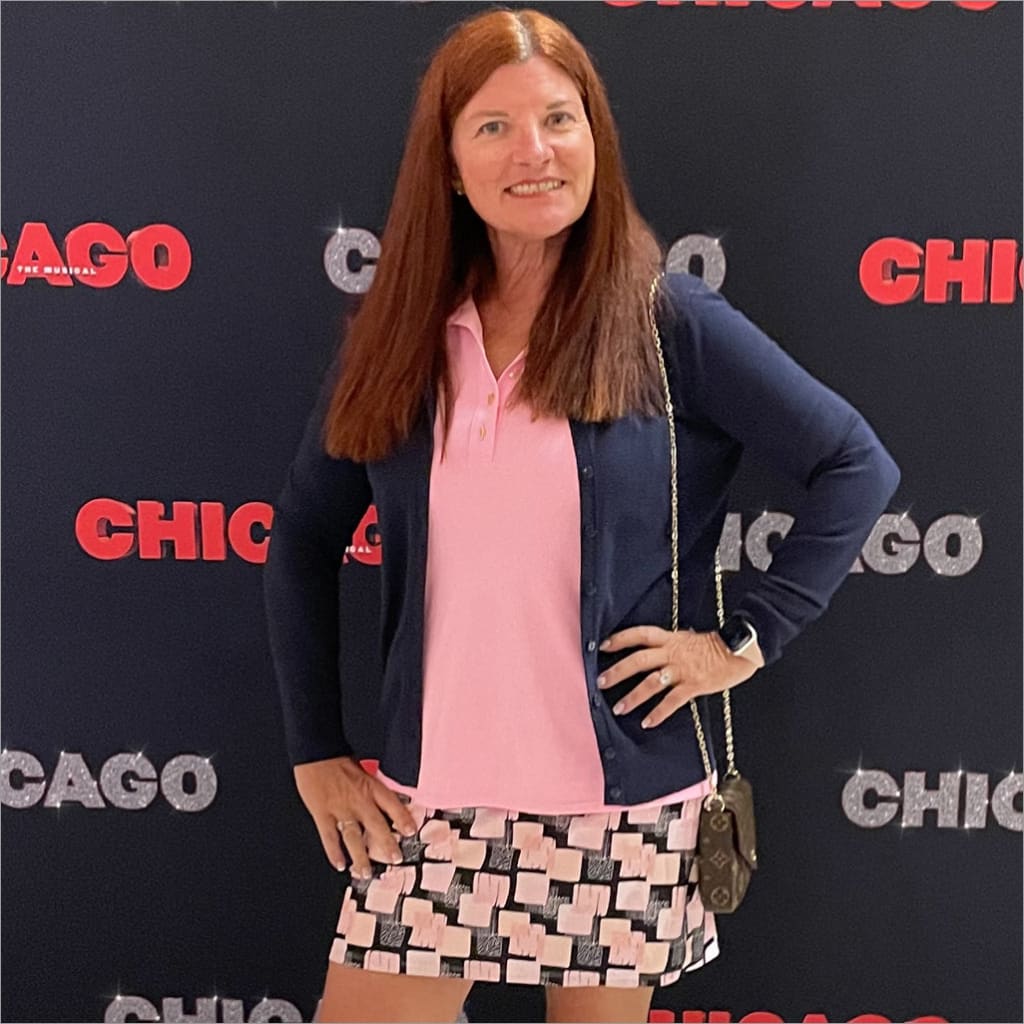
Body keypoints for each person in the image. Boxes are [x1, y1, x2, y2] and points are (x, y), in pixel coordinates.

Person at [263, 7, 900, 1023]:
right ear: (448, 161)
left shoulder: (665, 319)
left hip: (623, 807)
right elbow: (300, 538)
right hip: (430, 808)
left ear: (594, 136)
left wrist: (741, 641)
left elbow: (853, 464)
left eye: (560, 119)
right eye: (494, 127)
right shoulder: (403, 335)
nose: (534, 151)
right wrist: (316, 753)